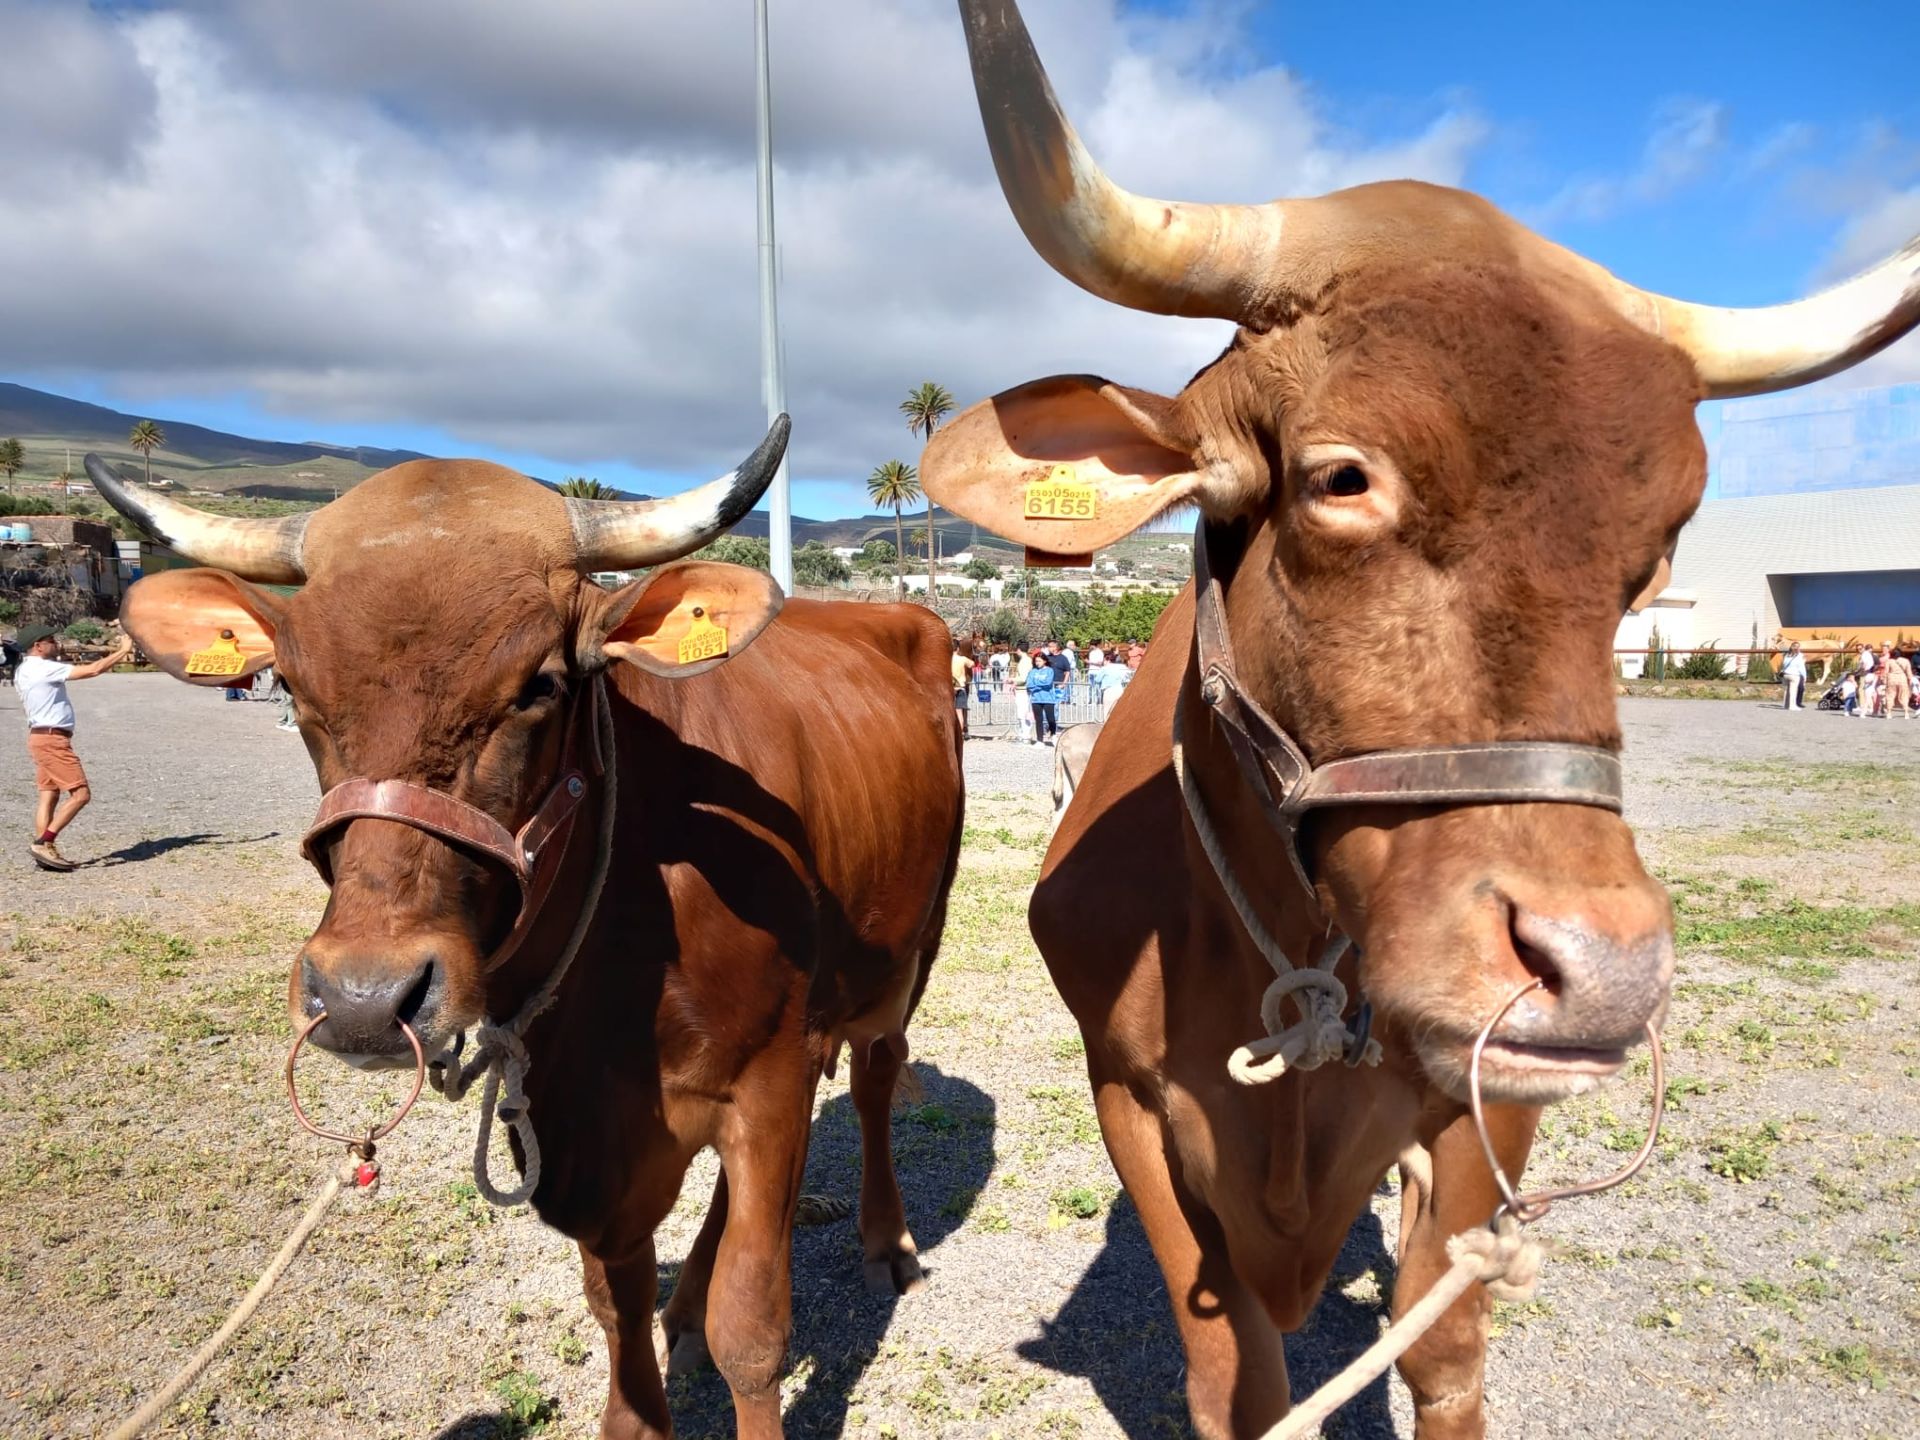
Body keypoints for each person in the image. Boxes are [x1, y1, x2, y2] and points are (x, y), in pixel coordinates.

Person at [15, 622, 134, 870]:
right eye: (51, 641)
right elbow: (92, 670)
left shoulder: (23, 669)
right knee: (80, 794)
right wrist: (123, 651)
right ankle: (43, 842)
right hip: (52, 739)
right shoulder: (43, 668)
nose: (56, 644)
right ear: (38, 646)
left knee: (49, 794)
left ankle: (45, 852)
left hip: (39, 737)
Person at [1026, 647, 1059, 745]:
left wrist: (1036, 685)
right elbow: (1029, 684)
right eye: (1036, 661)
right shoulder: (1032, 672)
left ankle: (1053, 734)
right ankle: (1040, 740)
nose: (1037, 663)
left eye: (1039, 661)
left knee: (1051, 719)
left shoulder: (1049, 670)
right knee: (1038, 720)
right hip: (1036, 699)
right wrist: (1038, 685)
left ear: (1044, 661)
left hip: (1048, 698)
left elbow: (1048, 683)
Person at [950, 638, 975, 739]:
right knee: (959, 712)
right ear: (958, 649)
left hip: (950, 688)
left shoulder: (947, 659)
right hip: (961, 686)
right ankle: (960, 734)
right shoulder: (962, 659)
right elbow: (973, 664)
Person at [1882, 644, 1912, 720]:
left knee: (1890, 695)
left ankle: (1889, 713)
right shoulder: (1906, 661)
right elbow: (1909, 673)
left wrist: (1884, 680)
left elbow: (1885, 672)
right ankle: (1906, 713)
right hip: (1902, 678)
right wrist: (1910, 681)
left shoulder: (1889, 661)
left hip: (1891, 678)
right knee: (1904, 695)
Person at [1013, 647, 1035, 743]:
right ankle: (1024, 734)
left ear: (1019, 649)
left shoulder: (1025, 661)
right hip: (1021, 689)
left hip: (1023, 690)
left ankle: (1026, 735)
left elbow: (1023, 678)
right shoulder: (1025, 660)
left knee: (1023, 713)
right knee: (1022, 712)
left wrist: (1012, 680)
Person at [1780, 642, 1807, 711]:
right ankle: (1792, 705)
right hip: (1794, 675)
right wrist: (1804, 676)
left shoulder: (1786, 655)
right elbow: (1801, 667)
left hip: (1785, 674)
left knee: (1786, 691)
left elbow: (1783, 663)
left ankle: (1786, 705)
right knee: (1793, 691)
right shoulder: (1800, 656)